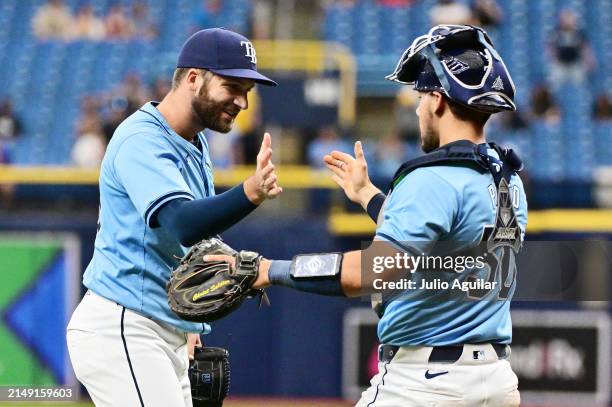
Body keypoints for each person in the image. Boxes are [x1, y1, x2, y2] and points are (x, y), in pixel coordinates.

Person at [208, 25, 527, 406]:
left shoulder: (431, 178)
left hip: (426, 384)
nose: (418, 106)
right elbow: (444, 242)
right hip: (495, 381)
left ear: (439, 100)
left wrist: (268, 270)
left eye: (421, 96)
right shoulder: (506, 178)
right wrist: (369, 196)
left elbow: (368, 272)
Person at [66, 28, 280, 407]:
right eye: (233, 86)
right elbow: (183, 222)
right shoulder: (141, 140)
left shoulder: (195, 143)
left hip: (163, 330)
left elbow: (192, 242)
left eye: (247, 91)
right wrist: (251, 192)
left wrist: (190, 327)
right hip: (125, 326)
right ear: (194, 78)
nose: (242, 102)